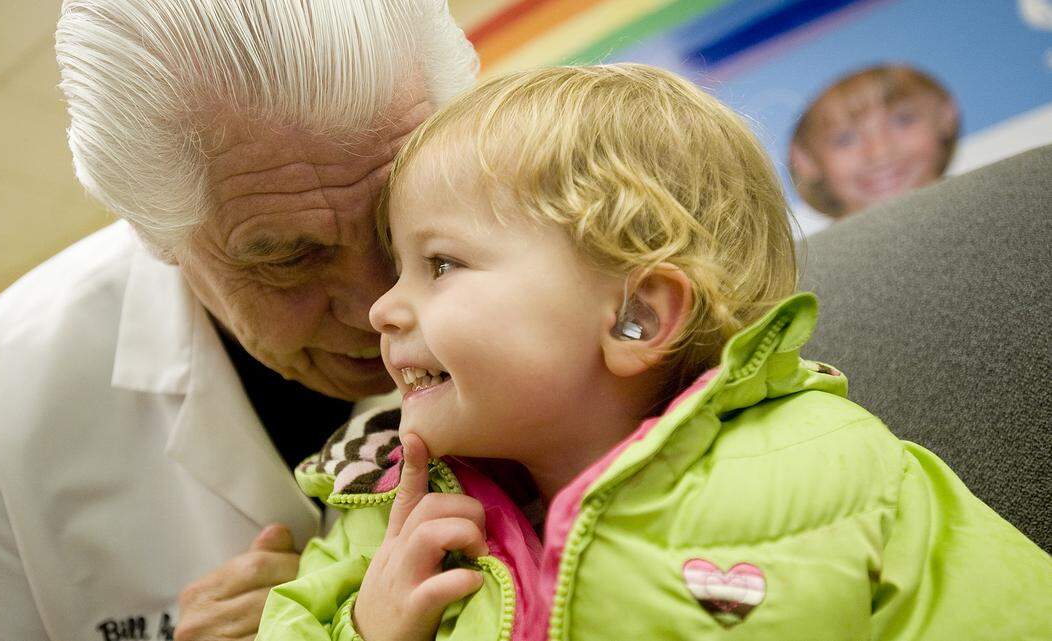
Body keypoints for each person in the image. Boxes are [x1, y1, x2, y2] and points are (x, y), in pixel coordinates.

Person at [256, 64, 1052, 641]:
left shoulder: (842, 471)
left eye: (440, 265)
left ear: (637, 315)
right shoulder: (378, 523)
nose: (383, 307)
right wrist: (367, 628)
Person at [0, 2, 476, 639]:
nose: (383, 306)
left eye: (394, 217)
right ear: (161, 239)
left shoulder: (570, 268)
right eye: (291, 258)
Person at [789, 64, 959, 219]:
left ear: (945, 115)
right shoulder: (819, 253)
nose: (880, 152)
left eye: (903, 120)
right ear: (805, 159)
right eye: (845, 139)